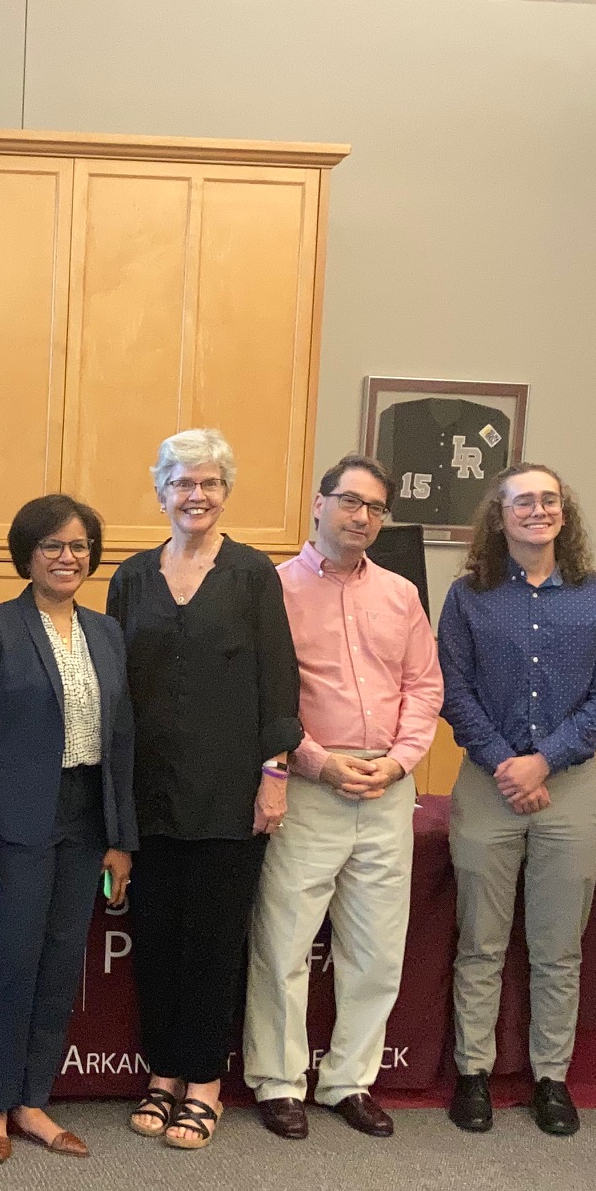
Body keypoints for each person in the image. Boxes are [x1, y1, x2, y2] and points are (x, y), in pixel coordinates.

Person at [106, 430, 303, 1151]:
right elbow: (113, 689)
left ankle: (204, 1083)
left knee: (215, 945)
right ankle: (162, 1073)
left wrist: (275, 778)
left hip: (230, 796)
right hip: (148, 795)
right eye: (183, 483)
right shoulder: (130, 577)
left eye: (210, 483)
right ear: (161, 491)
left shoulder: (253, 575)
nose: (197, 495)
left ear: (226, 493)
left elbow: (279, 683)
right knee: (155, 942)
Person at [244, 456, 442, 1142]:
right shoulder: (270, 590)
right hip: (307, 786)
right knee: (285, 945)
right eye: (351, 502)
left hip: (387, 788)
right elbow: (264, 699)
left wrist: (398, 762)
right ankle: (277, 1080)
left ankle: (350, 1080)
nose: (363, 517)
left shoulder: (400, 593)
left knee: (376, 950)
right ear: (319, 504)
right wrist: (319, 763)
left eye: (377, 508)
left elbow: (424, 688)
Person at [439, 464, 596, 1137]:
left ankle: (552, 1077)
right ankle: (473, 1072)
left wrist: (544, 760)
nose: (537, 510)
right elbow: (453, 692)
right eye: (523, 501)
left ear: (564, 512)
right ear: (499, 516)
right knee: (480, 943)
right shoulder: (469, 597)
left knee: (559, 949)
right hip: (486, 785)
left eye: (549, 499)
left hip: (572, 787)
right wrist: (507, 765)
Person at [0, 496, 136, 1163]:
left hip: (86, 820)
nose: (69, 557)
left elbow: (121, 742)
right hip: (14, 825)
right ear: (26, 555)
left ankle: (34, 1102)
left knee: (61, 967)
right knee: (12, 966)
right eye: (54, 545)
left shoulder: (107, 633)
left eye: (81, 545)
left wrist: (121, 838)